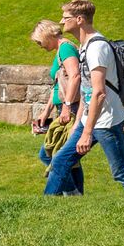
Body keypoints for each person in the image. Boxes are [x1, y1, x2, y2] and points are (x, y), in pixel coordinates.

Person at [45, 0, 124, 196]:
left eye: (66, 17)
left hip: (105, 120)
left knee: (122, 171)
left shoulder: (97, 48)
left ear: (80, 19)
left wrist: (87, 132)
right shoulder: (84, 46)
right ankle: (46, 207)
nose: (61, 21)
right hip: (89, 118)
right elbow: (87, 90)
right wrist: (79, 124)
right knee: (60, 162)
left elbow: (99, 92)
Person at [30, 18, 83, 193]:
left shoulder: (66, 48)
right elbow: (58, 85)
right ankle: (76, 194)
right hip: (64, 109)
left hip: (72, 110)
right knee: (70, 160)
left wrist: (67, 107)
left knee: (48, 154)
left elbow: (75, 76)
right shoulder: (60, 50)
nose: (39, 45)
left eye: (39, 41)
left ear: (47, 35)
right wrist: (46, 112)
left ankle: (71, 193)